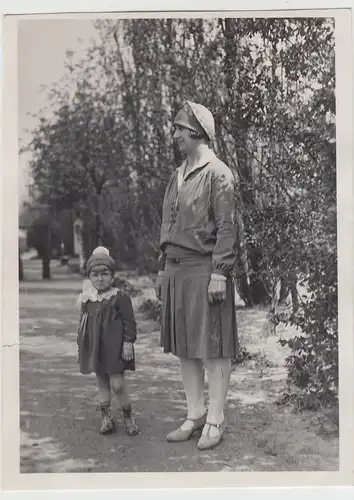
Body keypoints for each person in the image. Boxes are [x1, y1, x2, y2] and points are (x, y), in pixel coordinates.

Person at [155, 101, 238, 451]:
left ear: (196, 132)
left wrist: (219, 273)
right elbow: (168, 225)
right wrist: (163, 270)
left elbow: (227, 228)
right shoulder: (177, 175)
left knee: (214, 348)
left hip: (206, 271)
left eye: (178, 129)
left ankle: (216, 419)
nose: (174, 135)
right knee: (185, 348)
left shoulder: (218, 173)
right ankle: (195, 414)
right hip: (176, 270)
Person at [77, 246, 139, 436]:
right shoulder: (88, 299)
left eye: (104, 274)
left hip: (115, 349)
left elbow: (129, 322)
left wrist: (128, 343)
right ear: (89, 277)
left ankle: (128, 416)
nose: (100, 278)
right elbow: (83, 324)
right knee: (102, 383)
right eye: (94, 275)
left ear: (112, 276)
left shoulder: (119, 298)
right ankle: (106, 418)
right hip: (96, 348)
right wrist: (82, 346)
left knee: (117, 384)